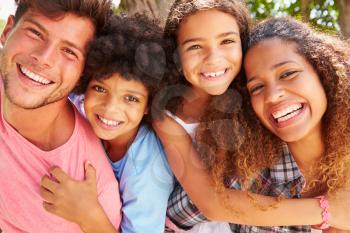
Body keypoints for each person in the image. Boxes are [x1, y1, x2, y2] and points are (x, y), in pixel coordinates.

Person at [152, 0, 350, 232]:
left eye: (288, 73)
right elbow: (205, 204)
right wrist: (326, 211)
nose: (274, 95)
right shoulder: (248, 161)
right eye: (257, 87)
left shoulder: (250, 126)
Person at [39, 14, 174, 233]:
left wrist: (87, 214)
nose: (110, 108)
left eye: (131, 98)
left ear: (150, 104)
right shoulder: (77, 104)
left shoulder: (148, 167)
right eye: (100, 89)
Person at [0, 0, 121, 232]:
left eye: (69, 51)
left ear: (82, 73)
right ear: (7, 32)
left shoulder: (90, 191)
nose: (44, 58)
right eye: (35, 33)